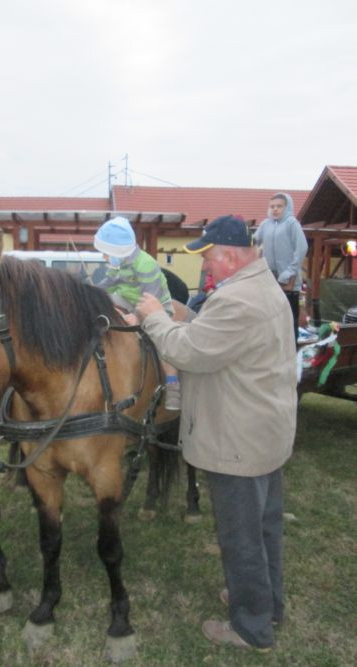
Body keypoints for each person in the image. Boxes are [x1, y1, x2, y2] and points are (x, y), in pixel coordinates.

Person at [134, 215, 297, 652]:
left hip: (237, 441)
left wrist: (153, 317)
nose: (204, 268)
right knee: (264, 530)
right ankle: (267, 604)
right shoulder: (263, 289)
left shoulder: (236, 300)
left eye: (208, 259)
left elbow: (188, 351)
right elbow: (217, 343)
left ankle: (251, 629)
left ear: (230, 257)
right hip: (264, 433)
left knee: (241, 539)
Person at [93, 216, 180, 410]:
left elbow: (151, 298)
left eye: (105, 253)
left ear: (117, 251)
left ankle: (173, 384)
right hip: (128, 299)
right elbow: (109, 284)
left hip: (156, 304)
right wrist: (91, 293)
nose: (103, 258)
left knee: (162, 341)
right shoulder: (118, 264)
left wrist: (137, 317)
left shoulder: (146, 264)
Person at [254, 193, 308, 341]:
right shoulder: (266, 224)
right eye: (272, 206)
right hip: (269, 279)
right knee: (271, 320)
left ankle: (292, 355)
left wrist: (290, 271)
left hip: (288, 282)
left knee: (289, 321)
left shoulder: (292, 223)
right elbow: (254, 241)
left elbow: (302, 248)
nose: (275, 209)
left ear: (287, 207)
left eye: (279, 206)